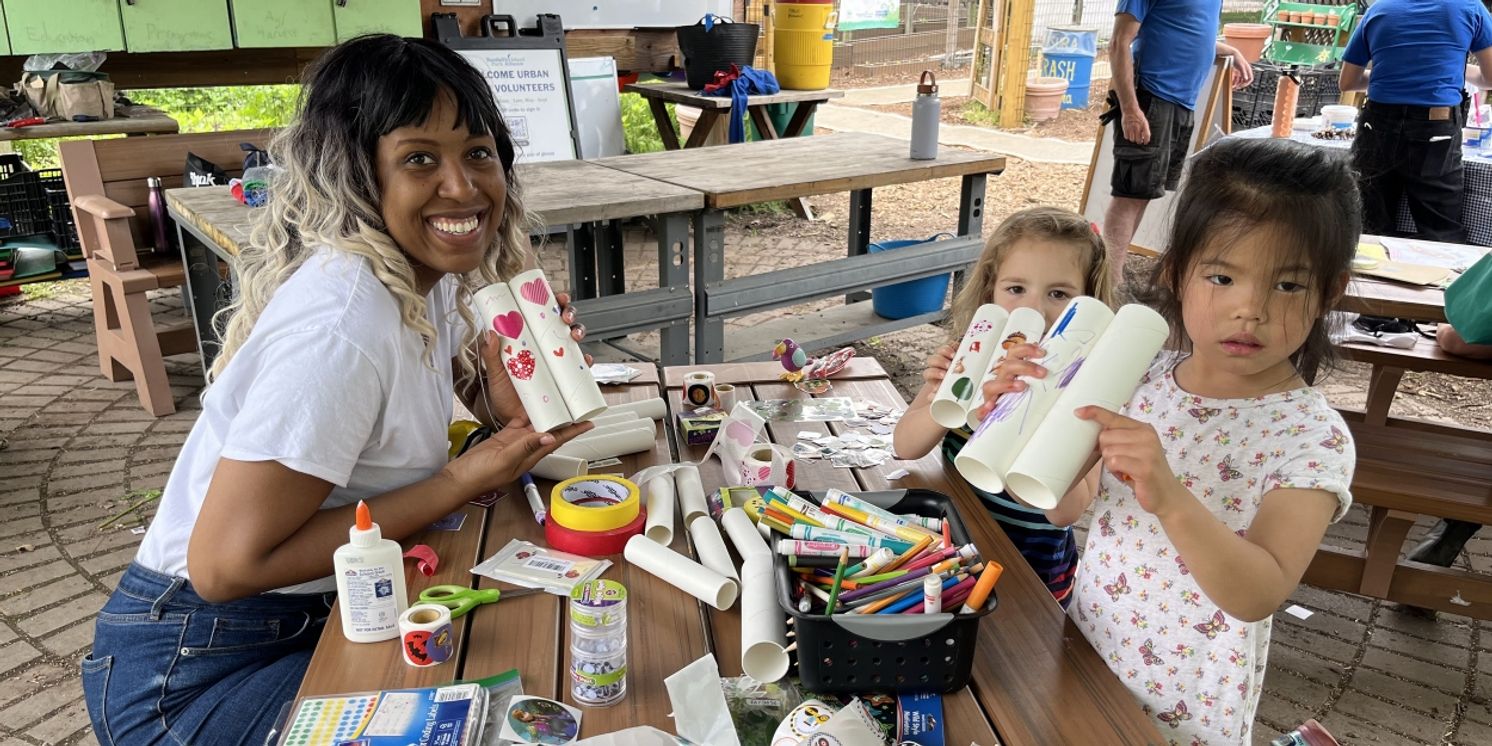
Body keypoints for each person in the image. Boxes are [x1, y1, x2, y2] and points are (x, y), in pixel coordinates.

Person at [80, 35, 593, 745]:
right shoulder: (343, 326)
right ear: (358, 175)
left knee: (518, 670)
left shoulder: (416, 277)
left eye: (478, 151)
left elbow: (425, 397)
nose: (463, 186)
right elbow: (227, 565)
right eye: (420, 159)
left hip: (314, 612)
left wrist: (504, 400)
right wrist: (461, 478)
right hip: (195, 670)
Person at [1000, 138, 1358, 743]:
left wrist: (1168, 495)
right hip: (1087, 651)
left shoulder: (1310, 439)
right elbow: (1059, 502)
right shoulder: (1136, 374)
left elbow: (1257, 593)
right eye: (1221, 276)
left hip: (1188, 701)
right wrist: (1014, 410)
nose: (1250, 309)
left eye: (1289, 286)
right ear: (1176, 273)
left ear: (1331, 290)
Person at [893, 206, 1115, 609]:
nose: (1034, 309)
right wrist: (944, 396)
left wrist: (1007, 415)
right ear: (990, 291)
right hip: (951, 550)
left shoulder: (1089, 391)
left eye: (1059, 294)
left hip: (1032, 572)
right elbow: (905, 446)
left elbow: (1064, 512)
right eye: (1016, 289)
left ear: (1090, 304)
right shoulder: (971, 354)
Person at [1102, 0, 1254, 286]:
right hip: (1151, 95)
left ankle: (1114, 277)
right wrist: (1131, 111)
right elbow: (1118, 43)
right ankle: (1107, 284)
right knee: (1129, 193)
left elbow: (1187, 31)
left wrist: (1228, 49)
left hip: (1182, 103)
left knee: (1143, 192)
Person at [1339, 0, 1492, 242]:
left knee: (1367, 224)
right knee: (1440, 231)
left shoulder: (1379, 9)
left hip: (1377, 123)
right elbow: (1490, 77)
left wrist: (1386, 74)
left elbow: (1347, 83)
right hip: (1436, 126)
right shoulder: (1469, 7)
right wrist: (1450, 70)